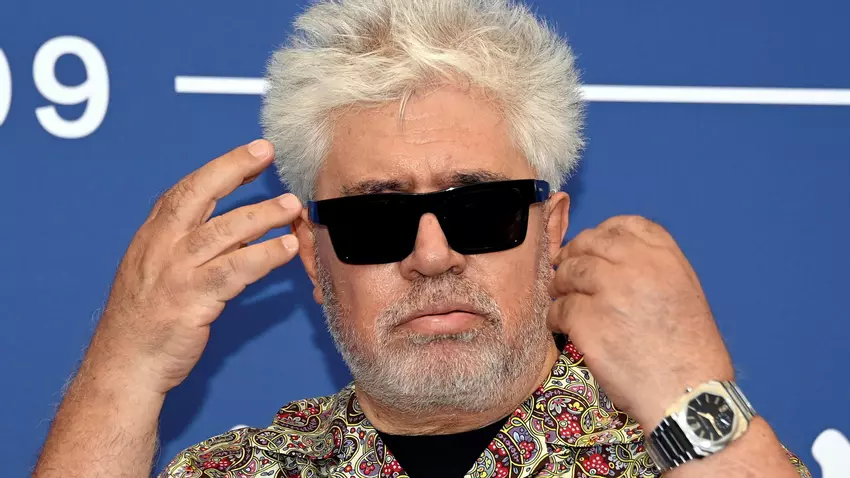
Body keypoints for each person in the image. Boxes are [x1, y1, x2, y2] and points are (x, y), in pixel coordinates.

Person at [33, 0, 811, 477]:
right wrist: (125, 367)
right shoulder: (238, 472)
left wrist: (697, 412)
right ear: (314, 258)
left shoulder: (683, 452)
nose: (432, 256)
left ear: (551, 233)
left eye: (481, 210)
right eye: (375, 220)